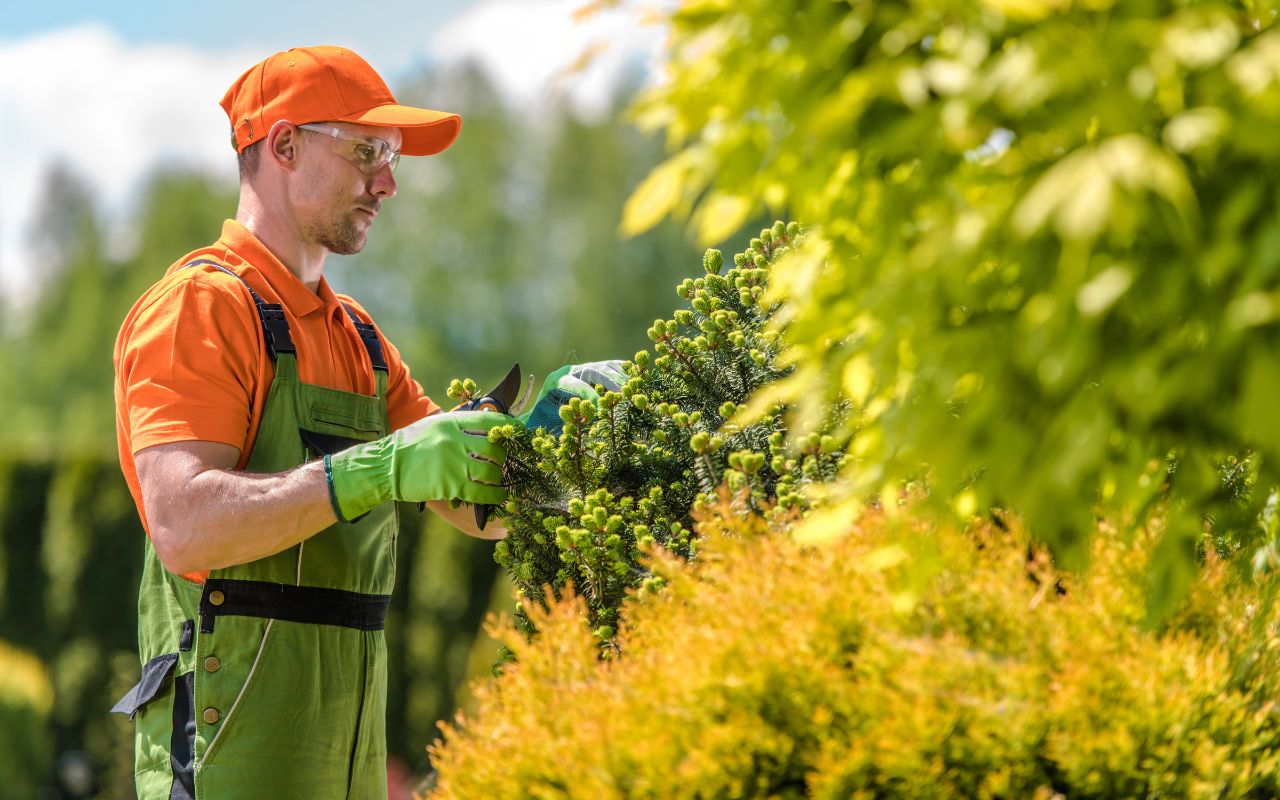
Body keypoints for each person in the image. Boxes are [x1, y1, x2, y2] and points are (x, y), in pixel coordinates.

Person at [110, 45, 518, 799]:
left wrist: (566, 444)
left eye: (392, 157)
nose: (388, 182)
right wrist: (371, 469)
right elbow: (184, 523)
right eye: (368, 150)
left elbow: (474, 504)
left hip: (349, 759)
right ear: (285, 145)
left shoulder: (358, 339)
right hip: (230, 755)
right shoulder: (202, 309)